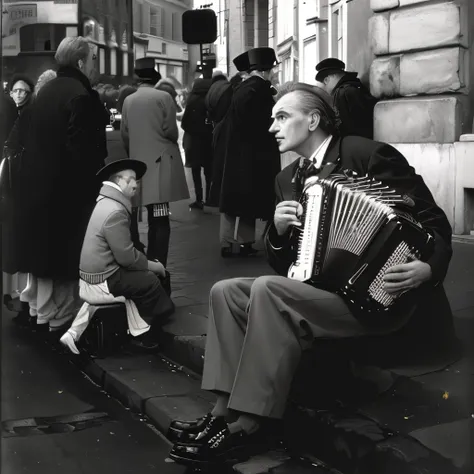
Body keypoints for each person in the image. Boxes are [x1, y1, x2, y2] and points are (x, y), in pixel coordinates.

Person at [168, 82, 457, 465]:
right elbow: (288, 264)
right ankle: (221, 413)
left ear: (314, 120)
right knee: (227, 290)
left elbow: (432, 220)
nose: (273, 126)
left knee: (270, 291)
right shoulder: (287, 179)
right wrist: (278, 232)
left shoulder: (367, 154)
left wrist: (427, 268)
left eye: (282, 117)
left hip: (379, 301)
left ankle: (252, 424)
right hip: (324, 295)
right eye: (273, 118)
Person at [11, 36, 109, 332]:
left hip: (40, 189)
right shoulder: (81, 94)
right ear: (81, 62)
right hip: (69, 194)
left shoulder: (46, 91)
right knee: (67, 260)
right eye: (92, 59)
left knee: (47, 258)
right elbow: (84, 151)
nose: (94, 66)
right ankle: (61, 324)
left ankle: (45, 317)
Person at [60, 159, 174, 354]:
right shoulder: (115, 211)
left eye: (136, 180)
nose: (135, 185)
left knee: (137, 280)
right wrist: (155, 267)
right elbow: (127, 258)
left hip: (92, 277)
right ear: (119, 182)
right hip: (101, 280)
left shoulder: (106, 202)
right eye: (131, 180)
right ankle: (143, 333)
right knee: (149, 281)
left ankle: (75, 334)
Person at [211, 47, 281, 258]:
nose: (274, 73)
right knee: (249, 199)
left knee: (233, 199)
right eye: (272, 69)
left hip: (235, 152)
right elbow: (264, 124)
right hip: (253, 154)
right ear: (265, 70)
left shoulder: (241, 88)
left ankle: (227, 241)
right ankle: (244, 242)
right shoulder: (258, 90)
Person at [121, 58, 189, 267]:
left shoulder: (128, 101)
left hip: (139, 170)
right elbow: (170, 131)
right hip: (160, 169)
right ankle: (158, 263)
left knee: (140, 217)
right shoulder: (164, 98)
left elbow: (125, 134)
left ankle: (145, 261)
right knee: (160, 219)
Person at [316, 58, 377, 139]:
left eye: (325, 81)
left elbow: (344, 129)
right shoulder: (356, 87)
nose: (325, 86)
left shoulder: (342, 93)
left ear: (330, 78)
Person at [181, 78, 213, 209]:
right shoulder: (210, 101)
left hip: (194, 142)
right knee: (209, 172)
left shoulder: (192, 101)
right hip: (208, 141)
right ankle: (209, 198)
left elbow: (185, 123)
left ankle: (199, 199)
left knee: (196, 171)